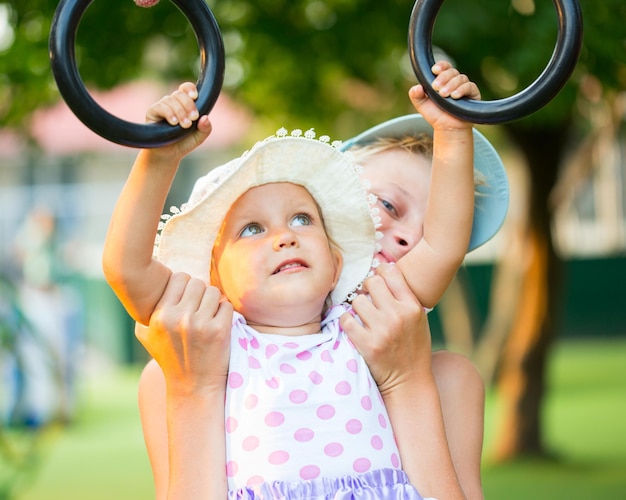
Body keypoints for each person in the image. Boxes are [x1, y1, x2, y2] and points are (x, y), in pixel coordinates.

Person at [103, 62, 505, 499]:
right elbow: (127, 270)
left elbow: (443, 246)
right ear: (214, 279)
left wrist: (453, 134)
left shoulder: (363, 324)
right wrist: (158, 159)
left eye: (302, 219)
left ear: (336, 259)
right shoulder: (214, 344)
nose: (284, 237)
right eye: (252, 230)